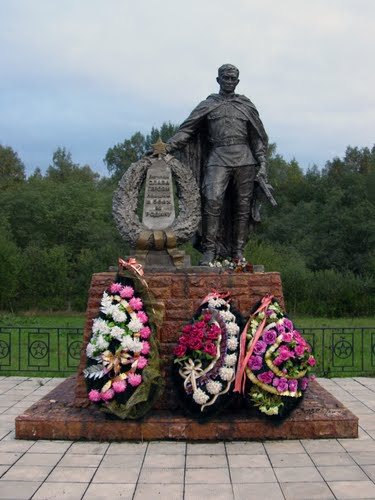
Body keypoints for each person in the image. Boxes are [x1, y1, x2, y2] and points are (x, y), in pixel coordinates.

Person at [165, 64, 270, 265]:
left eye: (233, 79)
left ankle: (238, 253)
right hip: (218, 157)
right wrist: (167, 147)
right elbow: (187, 130)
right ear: (218, 80)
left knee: (242, 207)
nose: (229, 82)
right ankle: (209, 251)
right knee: (211, 200)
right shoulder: (208, 105)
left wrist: (262, 164)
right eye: (225, 78)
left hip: (245, 159)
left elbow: (257, 139)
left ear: (237, 82)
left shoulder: (246, 105)